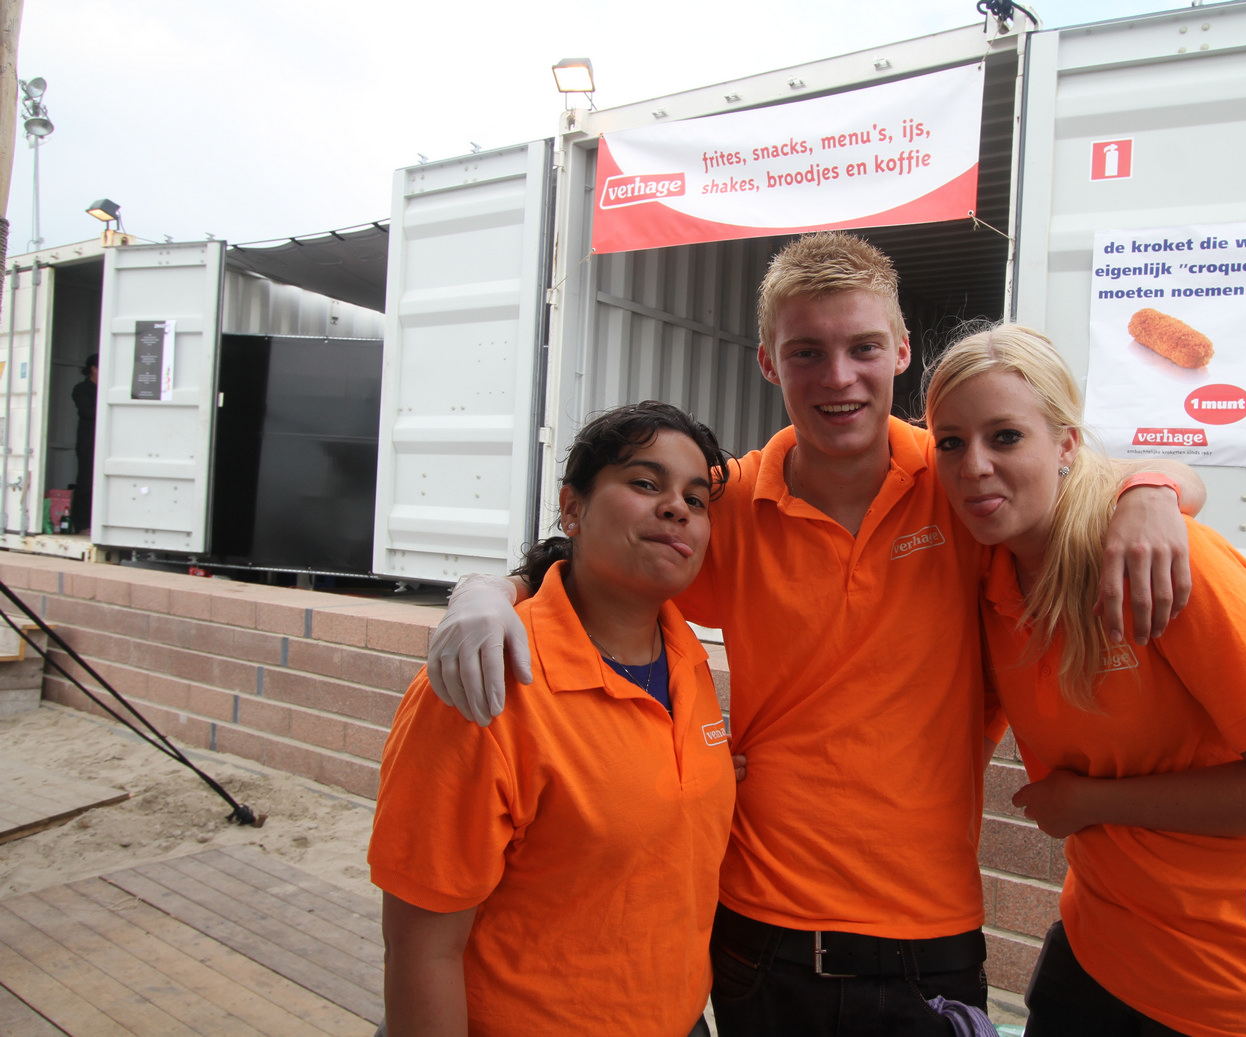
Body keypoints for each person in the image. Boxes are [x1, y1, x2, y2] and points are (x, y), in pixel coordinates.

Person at [425, 232, 1206, 1036]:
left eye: (862, 347)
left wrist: (1152, 488)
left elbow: (1085, 479)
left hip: (927, 929)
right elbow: (603, 557)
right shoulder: (726, 503)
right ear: (769, 362)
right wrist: (488, 590)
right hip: (759, 931)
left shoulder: (960, 479)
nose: (838, 377)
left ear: (901, 351)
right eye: (806, 352)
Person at [924, 324, 1246, 1037]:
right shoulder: (993, 580)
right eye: (950, 442)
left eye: (1005, 436)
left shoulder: (1165, 561)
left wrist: (1088, 801)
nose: (974, 465)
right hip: (1099, 953)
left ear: (1065, 444)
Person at [369, 402, 738, 1037]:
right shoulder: (488, 681)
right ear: (572, 509)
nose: (677, 508)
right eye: (645, 482)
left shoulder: (686, 660)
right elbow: (421, 949)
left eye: (696, 499)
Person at [71, 353, 97, 532]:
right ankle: (82, 523)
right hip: (88, 440)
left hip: (108, 440)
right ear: (93, 369)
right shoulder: (82, 389)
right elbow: (88, 412)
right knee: (86, 481)